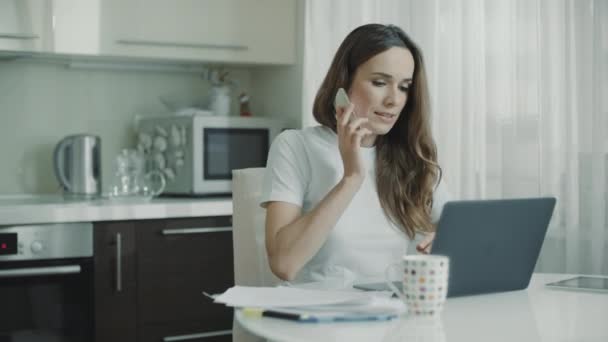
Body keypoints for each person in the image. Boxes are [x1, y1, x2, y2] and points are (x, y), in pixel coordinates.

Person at [260, 23, 450, 285]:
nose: (394, 100)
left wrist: (446, 242)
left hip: (395, 313)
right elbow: (284, 264)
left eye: (404, 86)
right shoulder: (295, 146)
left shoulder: (412, 156)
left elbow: (459, 229)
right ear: (343, 83)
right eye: (380, 82)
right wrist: (352, 177)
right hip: (320, 316)